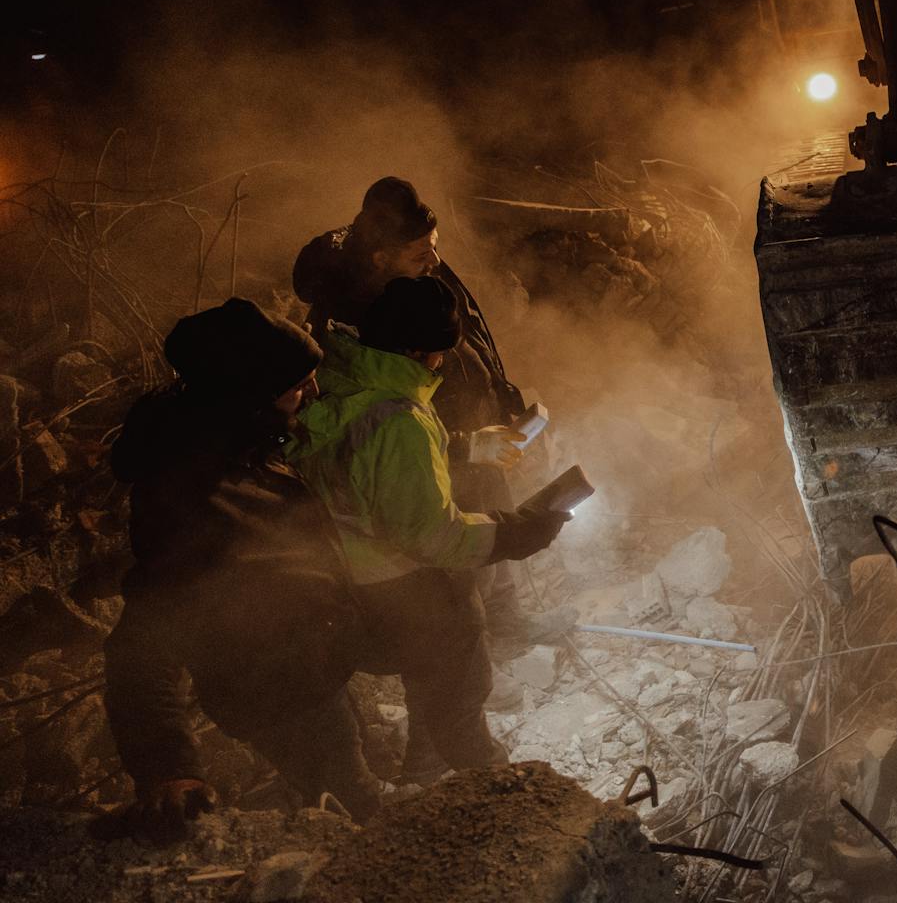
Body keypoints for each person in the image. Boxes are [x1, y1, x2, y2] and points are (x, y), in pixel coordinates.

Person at [103, 299, 382, 838]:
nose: (314, 393)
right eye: (299, 384)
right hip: (276, 690)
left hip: (305, 665)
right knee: (354, 799)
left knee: (343, 759)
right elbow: (139, 644)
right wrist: (170, 769)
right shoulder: (192, 494)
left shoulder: (235, 442)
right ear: (250, 395)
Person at [290, 276, 570, 781]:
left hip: (346, 570)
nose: (442, 364)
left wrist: (463, 447)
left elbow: (361, 451)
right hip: (402, 581)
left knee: (435, 677)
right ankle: (473, 778)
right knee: (453, 681)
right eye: (440, 353)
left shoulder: (338, 373)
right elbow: (433, 536)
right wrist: (519, 531)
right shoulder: (401, 419)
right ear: (419, 350)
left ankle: (431, 764)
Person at [294, 176, 570, 650]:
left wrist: (499, 398)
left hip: (463, 432)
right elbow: (377, 416)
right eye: (422, 254)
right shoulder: (353, 318)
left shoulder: (416, 273)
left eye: (434, 248)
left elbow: (469, 336)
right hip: (425, 448)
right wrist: (459, 444)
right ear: (381, 258)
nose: (436, 262)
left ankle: (505, 622)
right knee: (454, 552)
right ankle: (476, 646)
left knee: (489, 515)